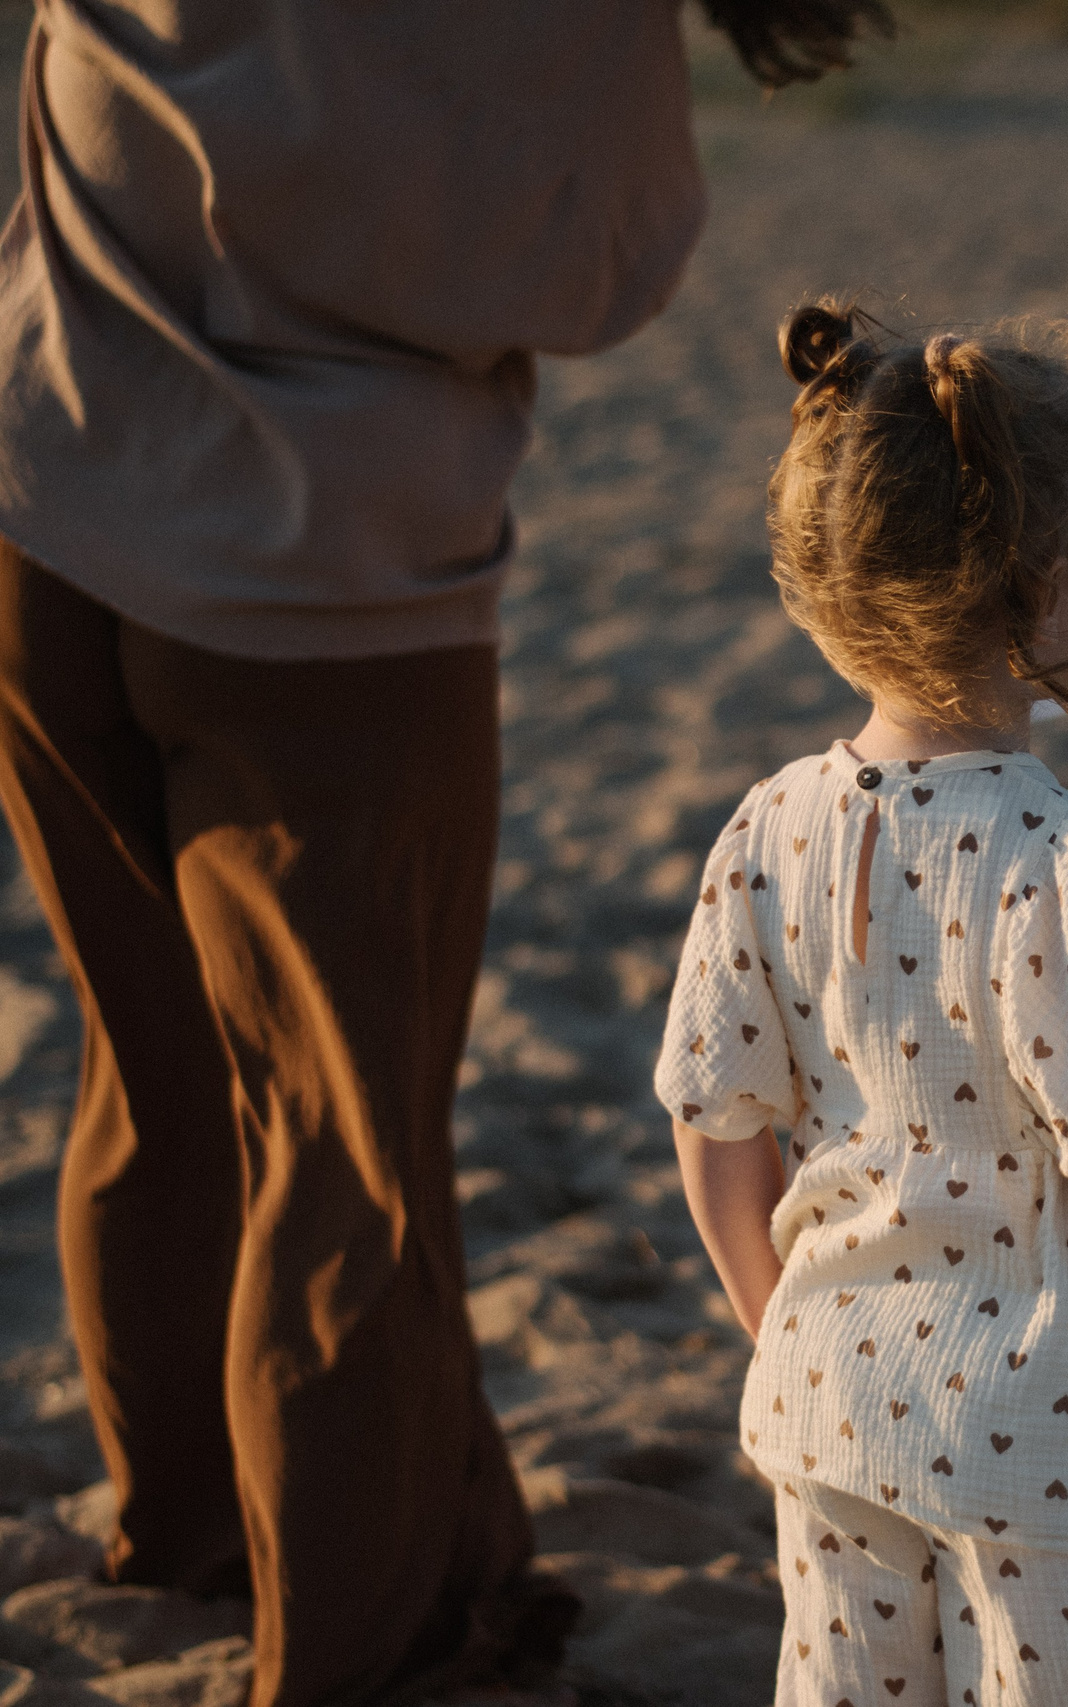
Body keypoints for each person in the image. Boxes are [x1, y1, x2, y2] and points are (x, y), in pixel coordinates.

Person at [0, 4, 881, 1703]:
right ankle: (359, 1648)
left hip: (45, 505)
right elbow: (603, 270)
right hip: (327, 589)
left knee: (152, 1073)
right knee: (348, 1145)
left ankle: (185, 1527)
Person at [657, 307, 1068, 1707]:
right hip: (1046, 1439)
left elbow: (715, 1128)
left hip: (827, 1407)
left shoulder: (765, 832)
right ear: (1046, 585)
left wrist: (789, 1333)